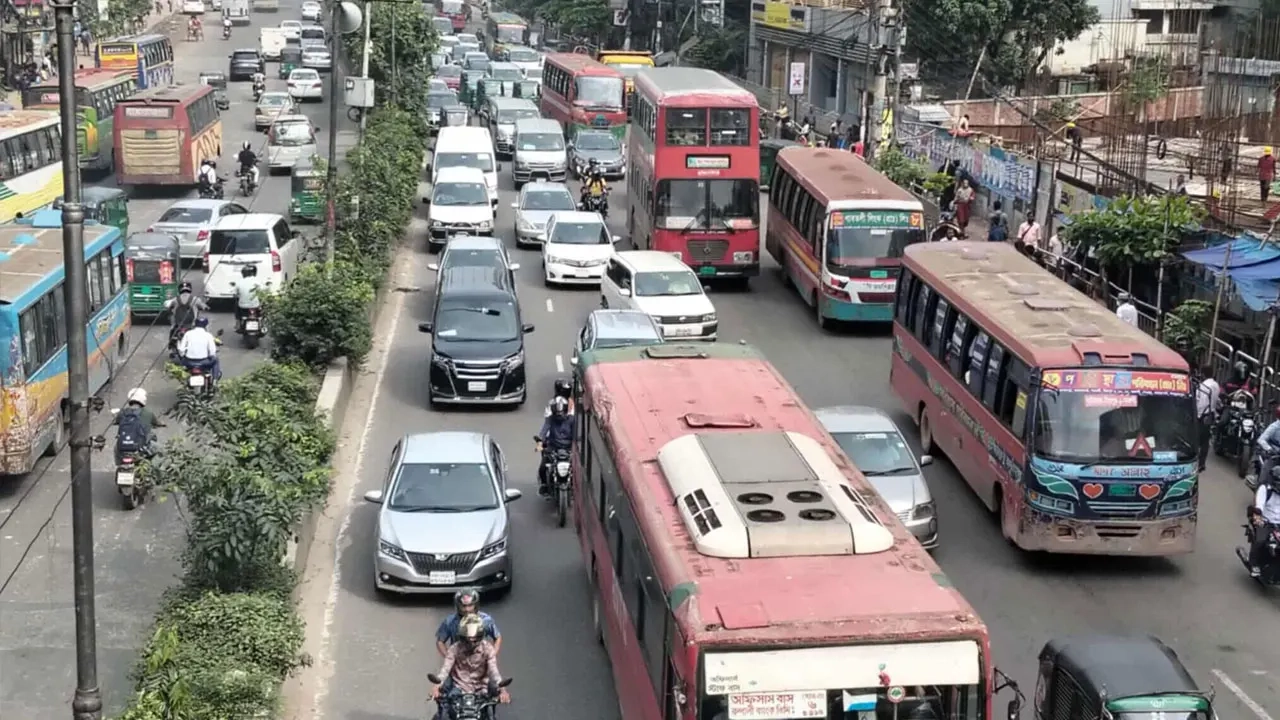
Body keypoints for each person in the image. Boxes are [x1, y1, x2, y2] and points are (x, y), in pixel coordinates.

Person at [429, 614, 508, 715]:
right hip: (459, 688)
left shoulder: (488, 649)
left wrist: (503, 690)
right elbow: (445, 669)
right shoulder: (454, 649)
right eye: (467, 640)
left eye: (474, 640)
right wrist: (436, 686)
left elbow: (494, 671)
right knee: (445, 713)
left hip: (481, 689)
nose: (471, 644)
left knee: (490, 714)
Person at [435, 588, 501, 657]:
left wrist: (492, 655)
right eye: (463, 606)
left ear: (475, 605)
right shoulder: (450, 621)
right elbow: (440, 641)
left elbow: (497, 637)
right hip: (459, 661)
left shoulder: (485, 620)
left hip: (479, 661)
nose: (467, 609)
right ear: (458, 606)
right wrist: (449, 657)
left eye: (470, 605)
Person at [113, 388, 165, 466]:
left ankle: (119, 465)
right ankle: (151, 469)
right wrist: (162, 424)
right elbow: (157, 423)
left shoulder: (122, 412)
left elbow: (116, 421)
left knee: (116, 448)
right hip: (141, 447)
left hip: (123, 447)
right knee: (160, 449)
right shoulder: (148, 413)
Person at [535, 396, 575, 497]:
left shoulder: (571, 420)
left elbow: (577, 434)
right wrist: (540, 442)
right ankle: (544, 486)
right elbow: (544, 430)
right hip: (553, 448)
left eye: (561, 413)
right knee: (542, 468)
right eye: (557, 413)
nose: (559, 416)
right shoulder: (550, 419)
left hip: (568, 449)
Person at [1248, 465, 1280, 577]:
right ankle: (1254, 564)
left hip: (1278, 524)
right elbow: (1259, 506)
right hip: (1265, 520)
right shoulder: (1265, 489)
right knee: (1260, 540)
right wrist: (1258, 518)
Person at [1194, 366, 1221, 472]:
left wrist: (1198, 416)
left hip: (1203, 415)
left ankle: (1196, 463)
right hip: (1211, 414)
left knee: (1197, 439)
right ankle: (1202, 463)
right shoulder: (1216, 385)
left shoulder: (1204, 386)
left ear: (1203, 374)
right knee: (1205, 441)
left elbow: (1201, 403)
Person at [231, 263, 265, 329]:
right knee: (263, 303)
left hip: (243, 307)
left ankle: (237, 321)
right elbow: (263, 291)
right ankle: (262, 322)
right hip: (256, 305)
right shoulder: (257, 281)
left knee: (236, 302)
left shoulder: (239, 282)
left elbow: (235, 294)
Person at [1257, 407, 1280, 491]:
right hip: (1274, 456)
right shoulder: (1274, 427)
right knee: (1264, 480)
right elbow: (1261, 439)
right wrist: (1270, 449)